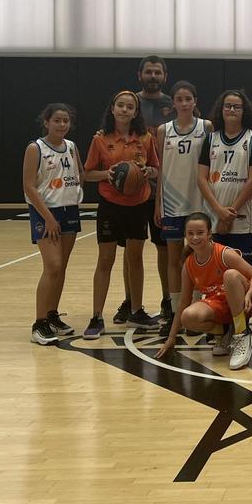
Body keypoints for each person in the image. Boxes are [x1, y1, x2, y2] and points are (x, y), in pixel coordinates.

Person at [82, 91, 162, 337]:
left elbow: (156, 169)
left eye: (130, 107)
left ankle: (136, 312)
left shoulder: (145, 138)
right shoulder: (100, 139)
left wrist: (146, 171)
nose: (125, 110)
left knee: (135, 259)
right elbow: (87, 174)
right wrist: (107, 174)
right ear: (113, 108)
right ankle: (96, 317)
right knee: (105, 260)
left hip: (138, 205)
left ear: (136, 112)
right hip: (110, 205)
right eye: (120, 105)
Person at [155, 212, 252, 370]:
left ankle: (242, 333)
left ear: (209, 234)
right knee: (187, 317)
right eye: (190, 233)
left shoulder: (223, 253)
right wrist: (171, 338)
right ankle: (224, 331)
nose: (195, 237)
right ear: (185, 235)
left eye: (200, 233)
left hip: (246, 300)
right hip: (219, 303)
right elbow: (183, 302)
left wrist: (248, 295)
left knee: (230, 275)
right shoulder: (188, 265)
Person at [115, 55, 175, 324]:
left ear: (165, 76)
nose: (153, 76)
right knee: (132, 249)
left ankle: (168, 299)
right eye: (148, 72)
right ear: (139, 75)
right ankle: (130, 301)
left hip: (164, 189)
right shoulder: (129, 104)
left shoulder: (173, 105)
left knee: (165, 248)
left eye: (157, 72)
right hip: (134, 191)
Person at [22, 103, 84, 345]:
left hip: (69, 209)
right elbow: (29, 186)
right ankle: (38, 325)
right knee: (53, 265)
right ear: (46, 122)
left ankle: (51, 315)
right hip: (45, 212)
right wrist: (48, 217)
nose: (62, 124)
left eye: (66, 120)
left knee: (61, 267)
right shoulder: (35, 148)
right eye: (57, 120)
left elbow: (80, 175)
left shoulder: (72, 146)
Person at [156, 81, 211, 329]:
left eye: (188, 99)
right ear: (173, 103)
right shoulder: (163, 130)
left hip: (198, 201)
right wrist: (158, 203)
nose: (184, 103)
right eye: (179, 99)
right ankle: (175, 310)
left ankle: (196, 307)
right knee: (174, 258)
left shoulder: (206, 127)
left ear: (195, 101)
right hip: (171, 202)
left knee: (199, 257)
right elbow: (161, 169)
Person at [198, 89, 252, 270]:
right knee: (216, 272)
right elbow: (201, 179)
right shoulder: (211, 139)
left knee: (243, 273)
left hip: (243, 219)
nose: (232, 110)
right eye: (227, 106)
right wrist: (219, 211)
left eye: (237, 107)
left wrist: (229, 215)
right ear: (221, 109)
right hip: (214, 217)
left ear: (244, 111)